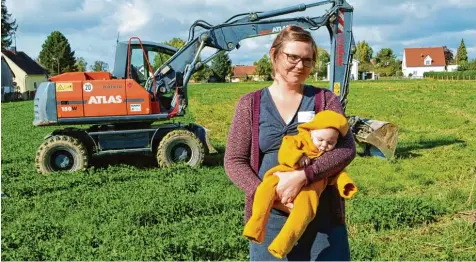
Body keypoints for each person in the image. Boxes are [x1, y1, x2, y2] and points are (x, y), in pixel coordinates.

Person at [224, 25, 356, 261]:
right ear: (274, 55)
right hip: (270, 218)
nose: (300, 65)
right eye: (293, 57)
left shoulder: (325, 100)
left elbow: (346, 149)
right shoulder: (250, 105)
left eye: (308, 59)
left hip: (321, 218)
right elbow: (234, 161)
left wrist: (304, 176)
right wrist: (271, 195)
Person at [242, 110, 358, 259]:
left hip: (310, 190)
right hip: (281, 175)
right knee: (264, 191)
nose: (324, 145)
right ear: (310, 132)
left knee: (304, 211)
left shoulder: (331, 155)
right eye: (320, 140)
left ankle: (284, 243)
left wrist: (345, 185)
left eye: (331, 143)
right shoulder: (299, 140)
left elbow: (339, 172)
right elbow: (286, 149)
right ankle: (255, 225)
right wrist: (297, 157)